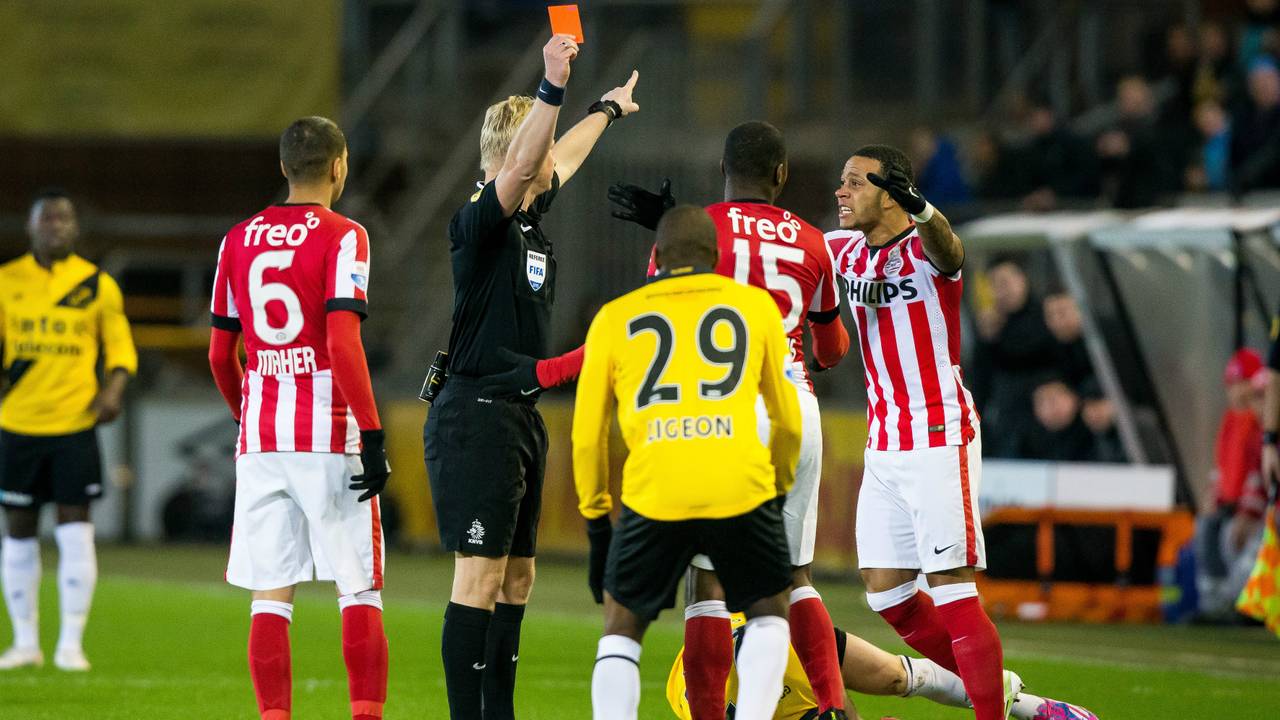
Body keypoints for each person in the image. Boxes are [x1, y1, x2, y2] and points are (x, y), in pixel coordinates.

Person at [421, 33, 640, 720]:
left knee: (517, 580)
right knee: (479, 578)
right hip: (475, 415)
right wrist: (553, 84)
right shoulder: (479, 222)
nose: (550, 162)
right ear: (515, 154)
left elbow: (558, 157)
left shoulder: (528, 221)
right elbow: (525, 163)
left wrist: (604, 109)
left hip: (516, 415)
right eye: (537, 148)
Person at [610, 121, 851, 719]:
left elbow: (661, 316)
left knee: (708, 584)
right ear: (781, 175)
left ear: (723, 169)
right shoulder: (813, 242)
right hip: (794, 403)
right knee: (795, 576)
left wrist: (670, 232)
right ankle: (833, 707)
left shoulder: (701, 231)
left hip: (723, 409)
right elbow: (831, 349)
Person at [572, 205, 803, 720]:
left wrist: (596, 521)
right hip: (739, 485)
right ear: (715, 257)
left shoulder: (614, 317)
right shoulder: (755, 306)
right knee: (769, 614)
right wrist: (777, 488)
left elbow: (587, 436)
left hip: (655, 491)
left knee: (621, 630)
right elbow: (787, 422)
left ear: (656, 255)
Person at [207, 116, 392, 720]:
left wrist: (247, 416)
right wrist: (372, 431)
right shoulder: (346, 235)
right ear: (339, 167)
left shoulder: (237, 239)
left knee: (270, 597)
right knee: (358, 589)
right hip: (329, 431)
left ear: (284, 167)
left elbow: (220, 354)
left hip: (263, 437)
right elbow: (342, 342)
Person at [826, 145, 1012, 720]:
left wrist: (925, 210)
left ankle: (990, 707)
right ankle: (994, 686)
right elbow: (776, 247)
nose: (841, 191)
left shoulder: (925, 251)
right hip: (883, 441)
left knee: (951, 586)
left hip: (938, 433)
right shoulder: (842, 250)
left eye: (855, 182)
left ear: (892, 194)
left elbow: (950, 250)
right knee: (886, 592)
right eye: (841, 181)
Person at [0, 190, 136, 672]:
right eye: (48, 219)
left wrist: (112, 392)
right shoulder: (6, 280)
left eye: (64, 219)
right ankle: (25, 643)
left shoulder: (97, 285)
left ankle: (70, 645)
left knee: (75, 531)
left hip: (74, 426)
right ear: (31, 226)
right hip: (18, 424)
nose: (56, 226)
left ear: (75, 228)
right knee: (18, 532)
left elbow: (121, 351)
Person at [664, 612, 1101, 720]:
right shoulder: (699, 697)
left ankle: (1030, 706)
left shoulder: (784, 644)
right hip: (770, 699)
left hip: (797, 641)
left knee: (898, 676)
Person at [1197, 349, 1267, 620]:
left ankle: (1241, 606)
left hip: (1255, 509)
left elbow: (1257, 474)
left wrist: (1247, 512)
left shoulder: (1261, 427)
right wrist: (1213, 497)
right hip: (1233, 504)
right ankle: (1215, 604)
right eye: (1232, 385)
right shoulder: (1232, 420)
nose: (1237, 392)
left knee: (1236, 539)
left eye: (1243, 383)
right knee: (1207, 530)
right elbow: (1221, 466)